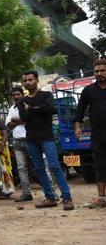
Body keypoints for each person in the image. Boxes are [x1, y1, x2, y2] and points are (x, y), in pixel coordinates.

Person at [19, 70, 74, 210]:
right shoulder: (22, 100)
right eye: (25, 81)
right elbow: (24, 117)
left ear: (37, 80)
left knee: (55, 166)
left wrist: (31, 108)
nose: (27, 83)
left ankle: (67, 198)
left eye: (30, 80)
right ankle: (50, 197)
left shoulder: (46, 95)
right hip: (31, 139)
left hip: (47, 137)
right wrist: (37, 110)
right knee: (38, 168)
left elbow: (50, 109)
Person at [74, 59, 106, 209]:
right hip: (98, 135)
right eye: (96, 71)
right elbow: (80, 109)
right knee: (99, 165)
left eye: (102, 71)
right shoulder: (88, 90)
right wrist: (77, 127)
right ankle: (101, 197)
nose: (99, 74)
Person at [6, 86, 34, 202]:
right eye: (14, 95)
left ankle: (50, 193)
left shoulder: (28, 105)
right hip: (17, 141)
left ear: (23, 94)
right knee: (21, 168)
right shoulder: (12, 108)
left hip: (30, 139)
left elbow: (29, 118)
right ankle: (26, 194)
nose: (16, 97)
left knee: (40, 166)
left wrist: (16, 121)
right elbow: (8, 124)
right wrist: (21, 120)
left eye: (18, 94)